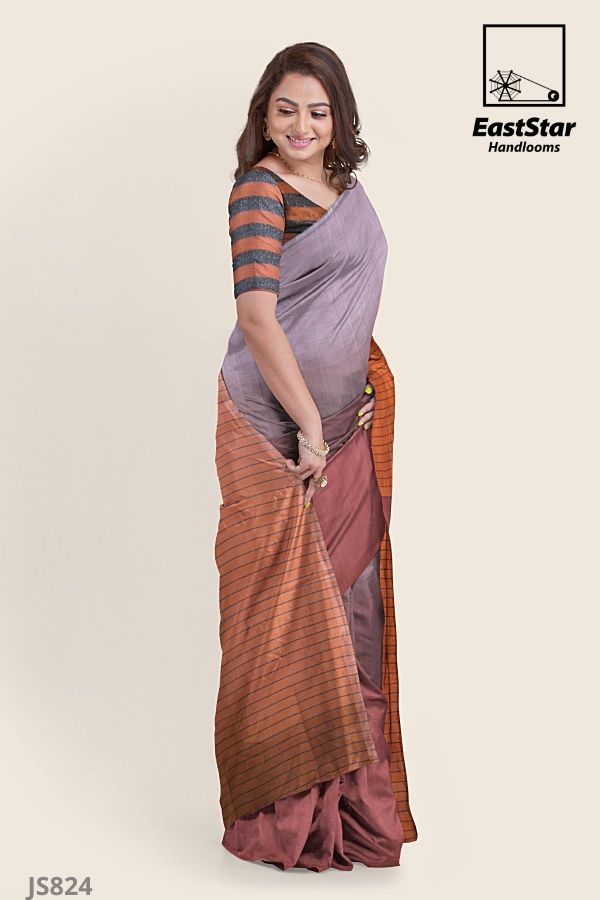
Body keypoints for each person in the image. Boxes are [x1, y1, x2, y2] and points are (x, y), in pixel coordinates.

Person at [213, 41, 418, 872]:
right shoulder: (259, 192)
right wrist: (306, 423)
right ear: (265, 115)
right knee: (282, 622)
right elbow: (258, 316)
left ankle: (354, 816)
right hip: (276, 435)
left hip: (344, 430)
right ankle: (284, 819)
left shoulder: (345, 192)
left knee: (351, 611)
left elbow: (346, 309)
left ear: (340, 119)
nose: (301, 125)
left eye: (319, 111)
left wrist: (360, 386)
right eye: (286, 109)